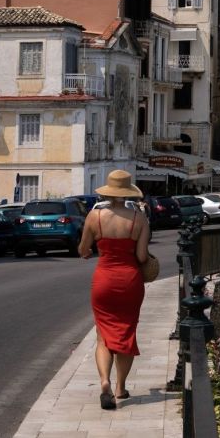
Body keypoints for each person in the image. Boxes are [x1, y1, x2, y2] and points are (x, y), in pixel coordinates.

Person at [78, 170, 151, 411]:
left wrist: (90, 251)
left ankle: (104, 382)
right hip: (130, 281)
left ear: (107, 192)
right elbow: (142, 256)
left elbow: (83, 249)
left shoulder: (94, 216)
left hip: (104, 281)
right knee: (126, 333)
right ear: (128, 192)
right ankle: (120, 387)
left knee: (103, 336)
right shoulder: (139, 219)